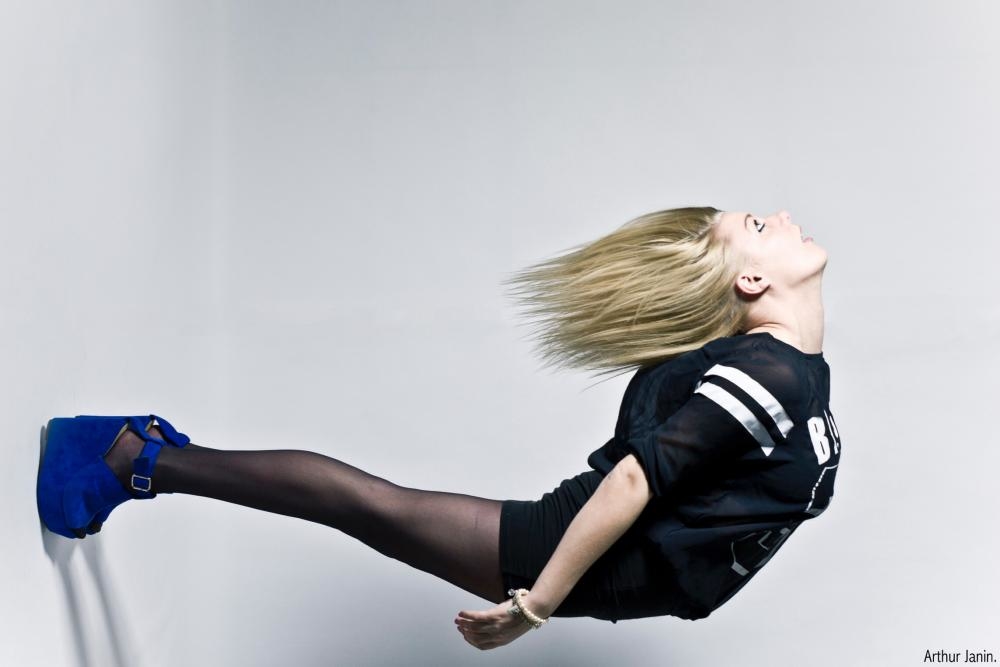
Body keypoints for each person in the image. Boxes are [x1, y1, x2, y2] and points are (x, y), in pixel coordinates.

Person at [36, 206, 841, 651]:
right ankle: (130, 454)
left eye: (757, 222)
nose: (779, 216)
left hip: (613, 571)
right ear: (751, 279)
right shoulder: (769, 372)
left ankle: (144, 454)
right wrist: (535, 604)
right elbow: (635, 477)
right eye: (759, 226)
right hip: (573, 555)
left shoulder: (792, 369)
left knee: (374, 508)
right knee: (369, 506)